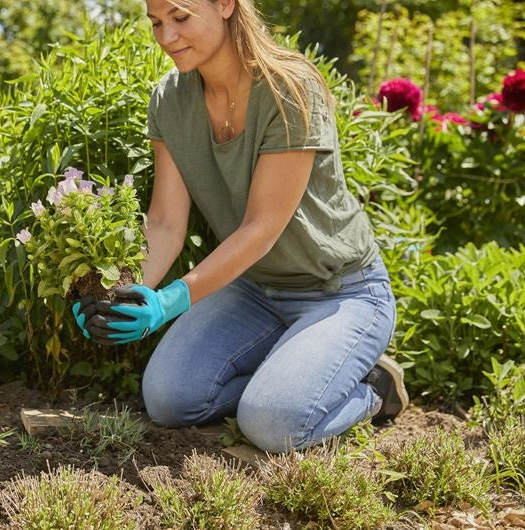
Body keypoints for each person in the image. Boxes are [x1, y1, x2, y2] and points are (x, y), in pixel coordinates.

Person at [72, 0, 409, 453]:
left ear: (227, 5)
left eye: (180, 17)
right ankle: (294, 377)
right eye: (155, 23)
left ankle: (370, 391)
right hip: (254, 289)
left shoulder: (290, 88)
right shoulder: (170, 100)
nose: (166, 37)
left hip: (340, 292)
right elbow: (167, 223)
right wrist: (116, 294)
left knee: (273, 425)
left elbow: (262, 228)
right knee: (169, 400)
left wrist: (169, 301)